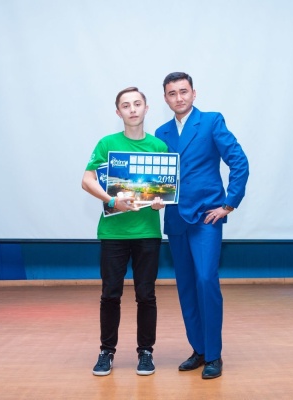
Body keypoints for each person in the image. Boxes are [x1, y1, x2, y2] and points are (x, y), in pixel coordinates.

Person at [155, 72, 249, 379]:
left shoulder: (211, 121)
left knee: (206, 280)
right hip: (175, 219)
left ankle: (214, 354)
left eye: (183, 91)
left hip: (206, 218)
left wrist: (229, 203)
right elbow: (158, 179)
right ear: (166, 98)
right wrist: (152, 196)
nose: (179, 97)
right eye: (172, 93)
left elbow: (239, 161)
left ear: (194, 93)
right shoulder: (161, 132)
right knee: (186, 287)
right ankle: (198, 349)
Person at [82, 87, 167, 377]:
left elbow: (166, 189)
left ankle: (146, 352)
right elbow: (87, 180)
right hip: (113, 234)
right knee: (110, 295)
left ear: (146, 108)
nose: (132, 109)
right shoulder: (107, 144)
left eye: (137, 104)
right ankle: (106, 351)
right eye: (126, 105)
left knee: (146, 296)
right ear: (118, 112)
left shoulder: (159, 147)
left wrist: (161, 200)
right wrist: (111, 200)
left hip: (147, 233)